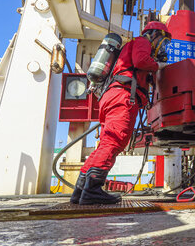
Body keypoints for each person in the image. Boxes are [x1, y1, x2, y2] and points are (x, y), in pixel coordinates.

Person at [70, 21, 171, 205]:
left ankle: (80, 190)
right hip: (122, 97)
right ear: (155, 34)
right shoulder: (142, 42)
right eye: (163, 41)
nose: (162, 46)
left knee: (105, 144)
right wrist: (159, 66)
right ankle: (92, 190)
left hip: (112, 96)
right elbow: (141, 60)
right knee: (115, 140)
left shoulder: (131, 47)